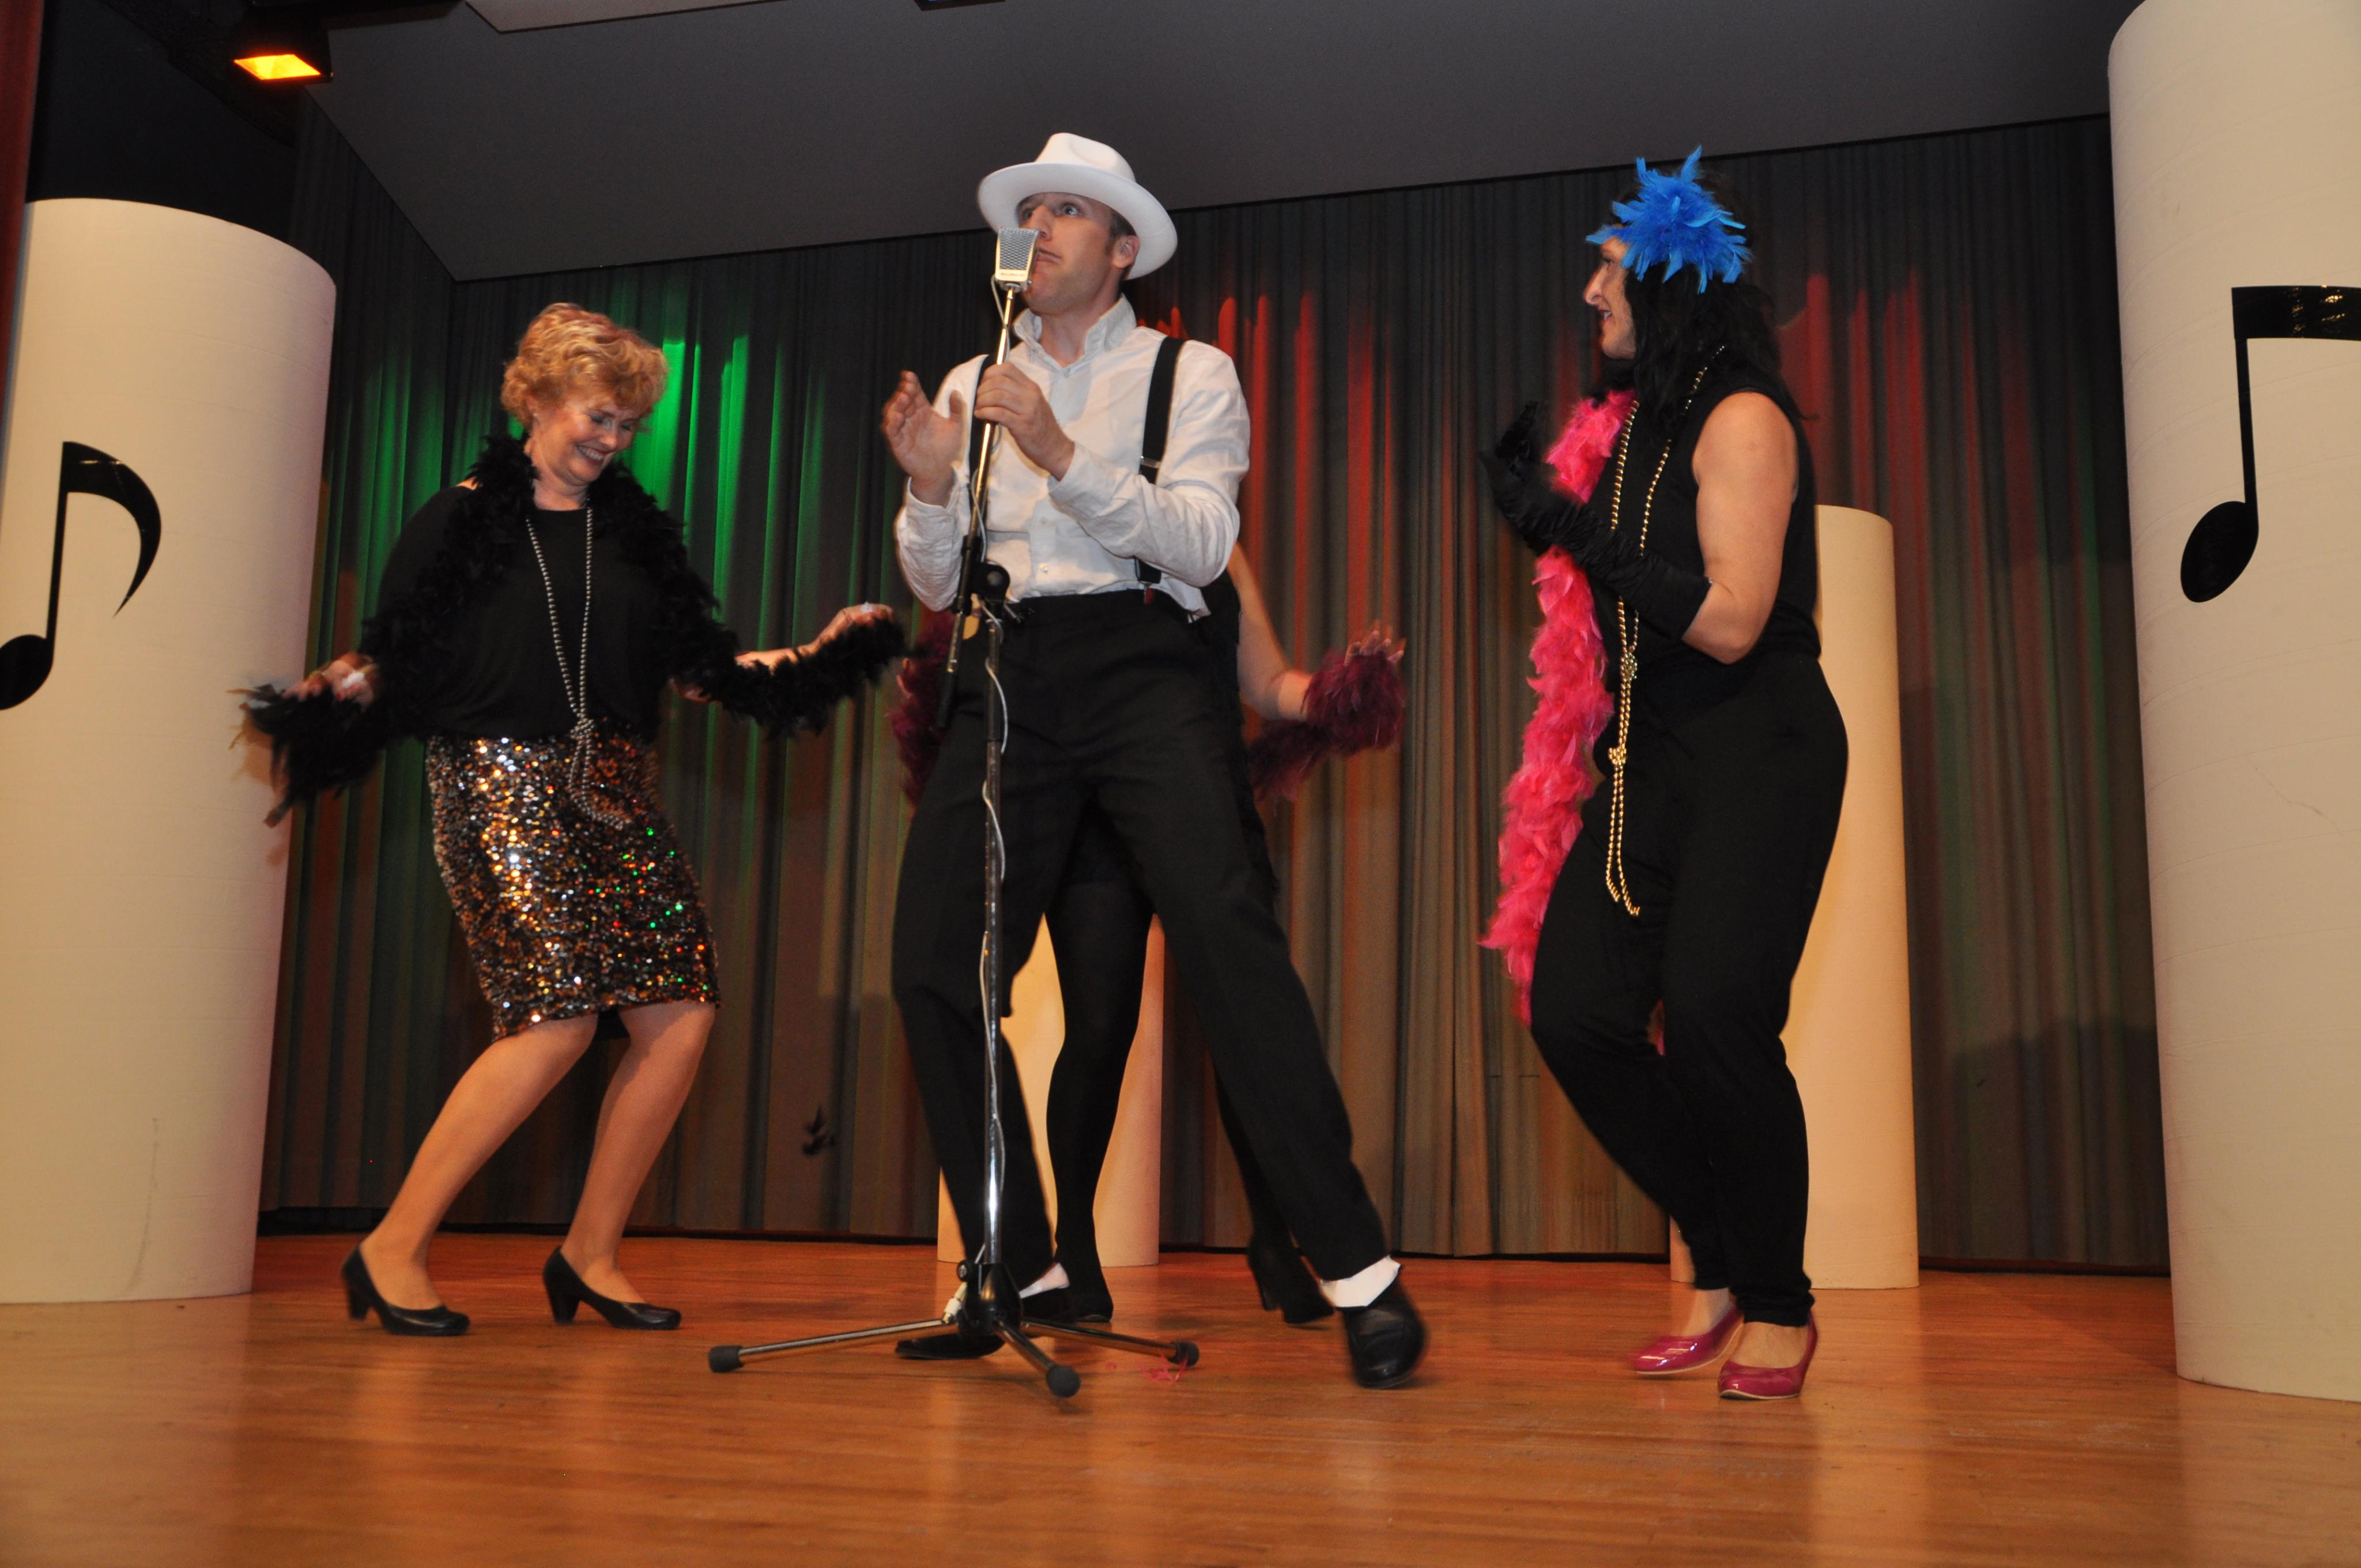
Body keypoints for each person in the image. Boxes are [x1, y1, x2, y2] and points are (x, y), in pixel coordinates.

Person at [882, 133, 1425, 1388]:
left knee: (1230, 942)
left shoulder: (1192, 373)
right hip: (1008, 672)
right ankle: (1019, 1265)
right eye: (1030, 211)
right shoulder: (973, 380)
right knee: (931, 964)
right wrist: (928, 491)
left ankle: (1359, 1272)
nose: (1041, 229)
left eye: (1068, 212)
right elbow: (939, 584)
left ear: (1123, 248)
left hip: (1146, 668)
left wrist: (1062, 455)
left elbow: (1198, 542)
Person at [247, 304, 901, 1336]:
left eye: (628, 425)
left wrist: (824, 653)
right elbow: (394, 655)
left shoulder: (632, 539)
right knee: (553, 1019)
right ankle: (391, 1248)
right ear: (540, 400)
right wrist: (333, 690)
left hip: (619, 794)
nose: (612, 439)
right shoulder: (459, 520)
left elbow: (706, 676)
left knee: (680, 1013)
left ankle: (591, 1255)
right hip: (498, 784)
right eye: (600, 416)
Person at [1483, 152, 1847, 1401]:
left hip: (1760, 749)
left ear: (1669, 282)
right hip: (1646, 757)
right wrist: (1555, 513)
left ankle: (1779, 1303)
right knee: (1573, 1011)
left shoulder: (1742, 417)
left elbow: (1734, 620)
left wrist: (1570, 530)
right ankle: (1722, 1248)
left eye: (1607, 272)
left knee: (1711, 1018)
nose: (1590, 294)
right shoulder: (1629, 428)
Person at [893, 544, 1404, 1326]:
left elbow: (1267, 682)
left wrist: (1339, 696)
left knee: (1240, 1002)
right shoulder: (1052, 533)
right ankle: (1066, 1248)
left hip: (1189, 783)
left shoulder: (1208, 534)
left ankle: (1285, 1239)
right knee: (1100, 1026)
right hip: (1083, 815)